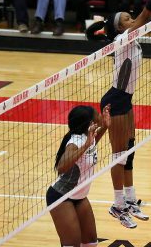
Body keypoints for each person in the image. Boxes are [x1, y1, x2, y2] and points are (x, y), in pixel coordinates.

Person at [86, 0, 151, 229]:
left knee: (129, 152)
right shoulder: (124, 37)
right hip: (116, 99)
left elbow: (141, 18)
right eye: (125, 17)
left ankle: (131, 198)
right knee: (119, 155)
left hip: (126, 98)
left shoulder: (129, 38)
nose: (130, 17)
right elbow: (145, 16)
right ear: (119, 26)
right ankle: (118, 204)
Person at [46, 104, 111, 247]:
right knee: (72, 244)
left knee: (91, 242)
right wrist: (85, 145)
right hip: (61, 197)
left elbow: (91, 145)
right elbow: (61, 167)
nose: (100, 116)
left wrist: (105, 126)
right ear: (90, 123)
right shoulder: (75, 143)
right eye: (97, 115)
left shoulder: (88, 136)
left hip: (79, 196)